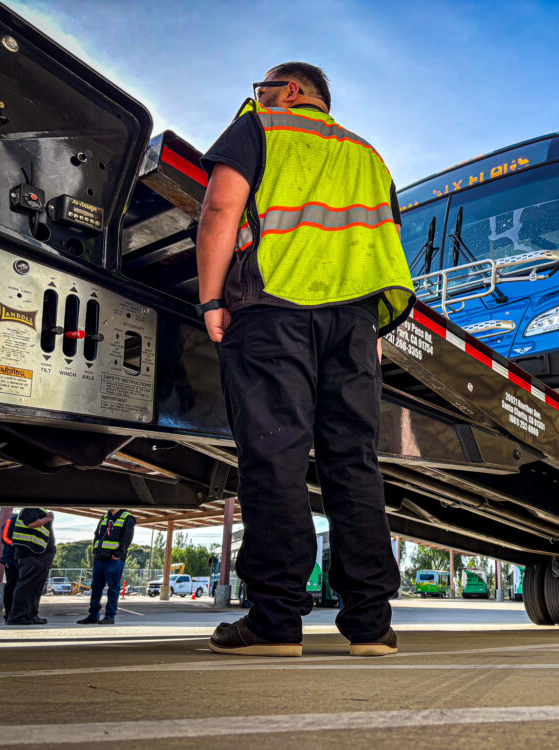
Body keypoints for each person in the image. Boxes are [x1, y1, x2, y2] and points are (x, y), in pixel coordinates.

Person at [196, 61, 414, 657]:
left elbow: (219, 210)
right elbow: (379, 243)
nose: (256, 96)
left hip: (273, 308)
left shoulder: (260, 128)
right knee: (354, 465)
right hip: (353, 322)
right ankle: (371, 625)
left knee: (275, 456)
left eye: (262, 87)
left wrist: (212, 298)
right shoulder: (368, 155)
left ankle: (274, 620)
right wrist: (369, 326)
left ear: (291, 91)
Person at [77, 509, 136, 625]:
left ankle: (110, 616)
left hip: (113, 560)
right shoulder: (105, 517)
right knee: (96, 587)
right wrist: (95, 551)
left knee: (113, 588)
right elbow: (97, 535)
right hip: (99, 558)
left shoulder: (127, 517)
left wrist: (118, 554)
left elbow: (127, 538)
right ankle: (93, 615)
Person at [7, 508, 55, 625]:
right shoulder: (30, 508)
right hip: (28, 554)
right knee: (26, 586)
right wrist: (48, 519)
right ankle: (17, 616)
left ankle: (31, 615)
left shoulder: (41, 511)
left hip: (39, 555)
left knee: (35, 588)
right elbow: (31, 524)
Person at [0, 513, 18, 623]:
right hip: (10, 559)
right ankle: (9, 614)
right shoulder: (11, 520)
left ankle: (19, 613)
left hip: (24, 560)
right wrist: (18, 546)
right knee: (11, 585)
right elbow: (4, 537)